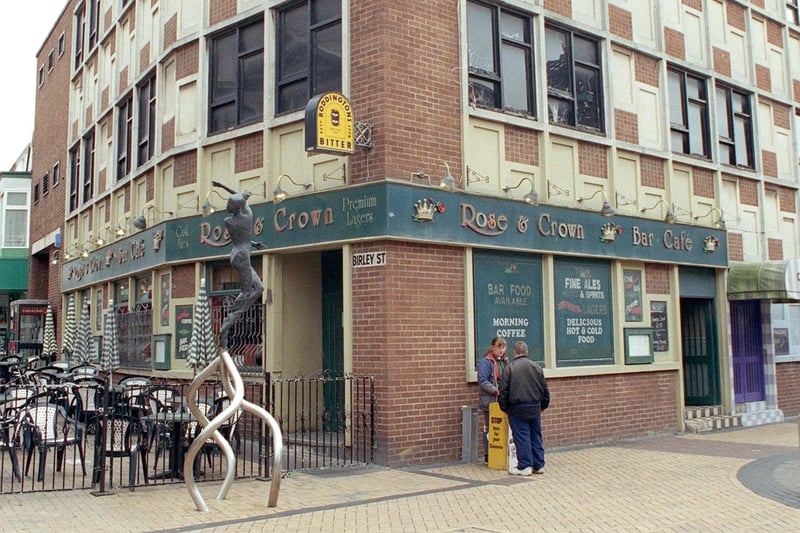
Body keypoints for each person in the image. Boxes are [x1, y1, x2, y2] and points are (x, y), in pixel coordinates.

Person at [211, 180, 266, 349]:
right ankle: (227, 326)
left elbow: (242, 238)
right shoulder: (248, 216)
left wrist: (221, 185)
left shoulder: (229, 221)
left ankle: (233, 313)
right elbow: (240, 199)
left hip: (237, 253)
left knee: (259, 289)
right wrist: (239, 194)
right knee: (248, 292)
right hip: (242, 256)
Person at [498, 340, 549, 476]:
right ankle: (539, 465)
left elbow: (503, 390)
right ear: (527, 352)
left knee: (522, 437)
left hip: (517, 408)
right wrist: (543, 406)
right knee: (536, 436)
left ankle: (525, 465)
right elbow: (544, 389)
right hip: (535, 407)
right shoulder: (537, 367)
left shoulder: (510, 368)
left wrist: (504, 407)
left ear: (514, 352)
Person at [477, 336, 508, 462]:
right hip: (490, 400)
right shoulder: (486, 361)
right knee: (489, 427)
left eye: (503, 347)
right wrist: (496, 390)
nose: (501, 350)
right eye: (498, 347)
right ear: (493, 347)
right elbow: (483, 381)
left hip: (502, 399)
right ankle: (488, 454)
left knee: (502, 426)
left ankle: (501, 451)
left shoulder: (504, 361)